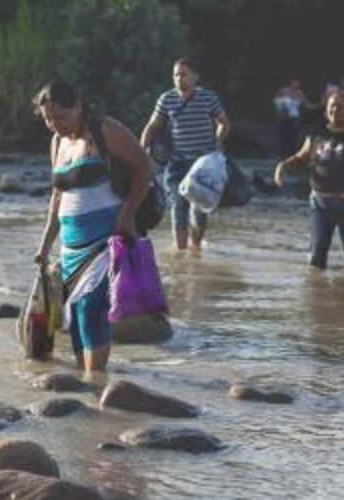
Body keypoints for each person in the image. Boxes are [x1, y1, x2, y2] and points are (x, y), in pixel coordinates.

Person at [32, 81, 150, 374]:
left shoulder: (104, 130)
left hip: (106, 241)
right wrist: (45, 245)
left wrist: (127, 214)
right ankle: (90, 386)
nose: (55, 124)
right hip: (71, 249)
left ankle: (97, 379)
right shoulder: (57, 142)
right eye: (48, 119)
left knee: (91, 308)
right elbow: (57, 197)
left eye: (61, 116)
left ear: (78, 106)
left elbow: (144, 168)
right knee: (73, 316)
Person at [273, 90, 344, 271]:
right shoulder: (317, 131)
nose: (336, 110)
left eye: (341, 106)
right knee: (315, 258)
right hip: (321, 203)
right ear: (326, 110)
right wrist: (282, 167)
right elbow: (301, 157)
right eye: (332, 106)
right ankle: (318, 289)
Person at [140, 58, 230, 252]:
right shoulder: (166, 99)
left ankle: (195, 248)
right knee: (178, 205)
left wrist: (219, 139)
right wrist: (142, 152)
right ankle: (181, 252)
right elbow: (152, 127)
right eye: (176, 75)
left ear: (195, 77)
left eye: (184, 74)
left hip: (202, 164)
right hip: (177, 162)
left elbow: (223, 122)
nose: (179, 79)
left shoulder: (208, 98)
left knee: (199, 209)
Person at [274, 79, 310, 158]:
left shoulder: (300, 93)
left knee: (293, 136)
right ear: (291, 82)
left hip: (294, 119)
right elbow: (276, 101)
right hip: (284, 117)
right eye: (294, 82)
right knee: (283, 136)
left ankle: (292, 153)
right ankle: (282, 154)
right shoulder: (284, 91)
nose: (296, 84)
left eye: (297, 82)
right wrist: (280, 108)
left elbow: (306, 104)